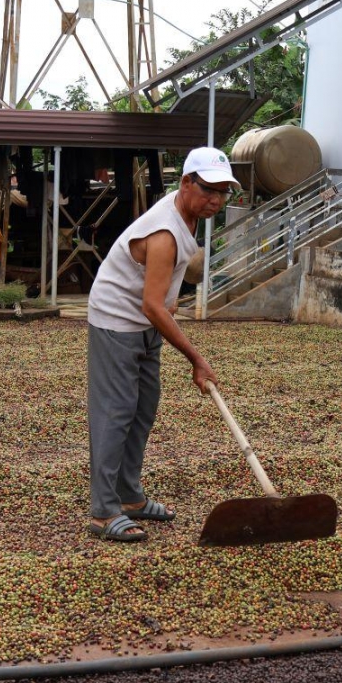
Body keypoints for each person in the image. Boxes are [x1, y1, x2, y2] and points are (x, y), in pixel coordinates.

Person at [86, 147, 239, 542]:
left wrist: (166, 315)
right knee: (115, 412)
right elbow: (152, 305)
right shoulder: (165, 233)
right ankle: (103, 511)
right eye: (209, 189)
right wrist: (196, 358)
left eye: (224, 192)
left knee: (143, 408)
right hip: (117, 321)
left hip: (146, 323)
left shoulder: (185, 215)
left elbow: (160, 298)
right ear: (186, 183)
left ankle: (130, 496)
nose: (216, 200)